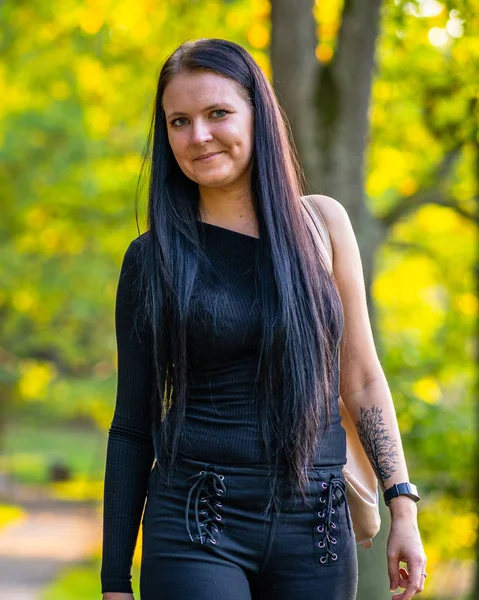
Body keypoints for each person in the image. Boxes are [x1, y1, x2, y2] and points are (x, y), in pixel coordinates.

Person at [100, 38, 427, 600]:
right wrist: (113, 582)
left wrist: (403, 505)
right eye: (179, 121)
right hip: (196, 524)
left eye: (217, 113)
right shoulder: (151, 260)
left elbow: (363, 378)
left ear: (258, 114)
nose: (198, 135)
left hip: (318, 528)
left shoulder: (323, 226)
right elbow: (133, 423)